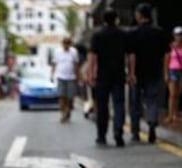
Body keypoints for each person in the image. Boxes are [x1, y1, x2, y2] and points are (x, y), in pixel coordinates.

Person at [128, 2, 170, 143]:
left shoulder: (133, 33)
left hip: (138, 73)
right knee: (152, 100)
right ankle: (152, 123)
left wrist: (132, 73)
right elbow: (166, 54)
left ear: (139, 15)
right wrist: (165, 72)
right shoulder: (159, 32)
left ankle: (135, 133)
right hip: (154, 72)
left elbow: (132, 55)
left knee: (135, 102)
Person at [87, 8, 130, 147]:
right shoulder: (123, 34)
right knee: (119, 105)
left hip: (103, 76)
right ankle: (118, 132)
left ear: (104, 20)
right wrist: (131, 72)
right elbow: (130, 56)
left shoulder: (98, 35)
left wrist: (91, 74)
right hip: (118, 74)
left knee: (102, 106)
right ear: (116, 19)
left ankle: (101, 135)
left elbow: (92, 57)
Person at [51, 36, 81, 123]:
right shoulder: (57, 52)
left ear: (70, 44)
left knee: (69, 97)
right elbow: (54, 64)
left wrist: (78, 77)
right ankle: (63, 113)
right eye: (65, 43)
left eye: (68, 43)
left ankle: (67, 110)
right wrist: (52, 75)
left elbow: (76, 65)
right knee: (61, 96)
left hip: (71, 77)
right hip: (60, 77)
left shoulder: (74, 52)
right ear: (62, 44)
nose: (66, 45)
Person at [164, 26, 182, 124]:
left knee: (178, 94)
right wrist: (166, 74)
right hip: (172, 70)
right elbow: (166, 61)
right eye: (177, 34)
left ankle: (176, 114)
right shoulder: (171, 47)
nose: (179, 36)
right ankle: (170, 115)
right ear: (174, 35)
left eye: (180, 34)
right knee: (172, 94)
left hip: (180, 71)